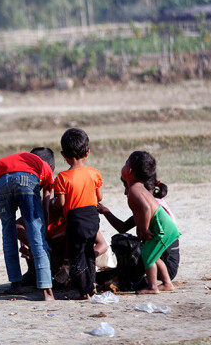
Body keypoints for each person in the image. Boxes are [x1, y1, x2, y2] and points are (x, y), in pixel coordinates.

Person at [98, 151, 180, 294]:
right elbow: (123, 227)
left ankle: (153, 287)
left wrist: (144, 229)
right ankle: (167, 283)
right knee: (152, 255)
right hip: (166, 227)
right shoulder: (138, 189)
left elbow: (147, 208)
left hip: (163, 228)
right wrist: (106, 211)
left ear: (129, 170)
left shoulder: (135, 190)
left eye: (125, 163)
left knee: (148, 255)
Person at [0, 147, 56, 301]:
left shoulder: (23, 159)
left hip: (1, 180)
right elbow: (46, 204)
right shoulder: (44, 167)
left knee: (8, 234)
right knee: (37, 236)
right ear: (49, 164)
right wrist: (45, 226)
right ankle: (47, 290)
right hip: (26, 181)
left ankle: (15, 284)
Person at [52, 128, 103, 299]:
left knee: (76, 257)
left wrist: (54, 204)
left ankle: (84, 291)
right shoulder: (94, 173)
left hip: (75, 220)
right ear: (87, 152)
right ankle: (93, 284)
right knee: (89, 252)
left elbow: (61, 203)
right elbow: (99, 196)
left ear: (63, 154)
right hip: (92, 218)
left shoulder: (62, 177)